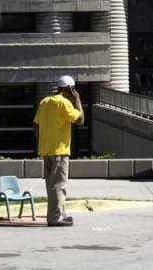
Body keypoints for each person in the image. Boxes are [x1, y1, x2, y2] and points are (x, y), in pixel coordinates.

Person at [33, 74, 85, 227]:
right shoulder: (64, 104)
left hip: (46, 150)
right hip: (59, 151)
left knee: (52, 185)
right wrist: (78, 101)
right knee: (59, 185)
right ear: (69, 89)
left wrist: (41, 141)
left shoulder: (45, 102)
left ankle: (60, 214)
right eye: (73, 89)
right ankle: (56, 218)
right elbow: (81, 120)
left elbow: (35, 125)